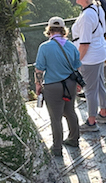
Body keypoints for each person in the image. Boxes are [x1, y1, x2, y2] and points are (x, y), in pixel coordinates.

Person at [34, 17, 82, 158]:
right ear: (63, 30)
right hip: (70, 84)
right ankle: (74, 139)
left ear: (49, 30)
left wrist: (38, 85)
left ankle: (57, 148)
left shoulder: (44, 47)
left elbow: (39, 69)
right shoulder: (72, 46)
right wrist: (78, 84)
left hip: (52, 86)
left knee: (55, 118)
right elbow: (77, 67)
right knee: (70, 112)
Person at [71, 0, 106, 131]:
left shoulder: (88, 15)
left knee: (90, 89)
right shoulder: (97, 7)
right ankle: (103, 112)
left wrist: (76, 62)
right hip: (99, 51)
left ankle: (92, 121)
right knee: (99, 83)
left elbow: (85, 43)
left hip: (91, 56)